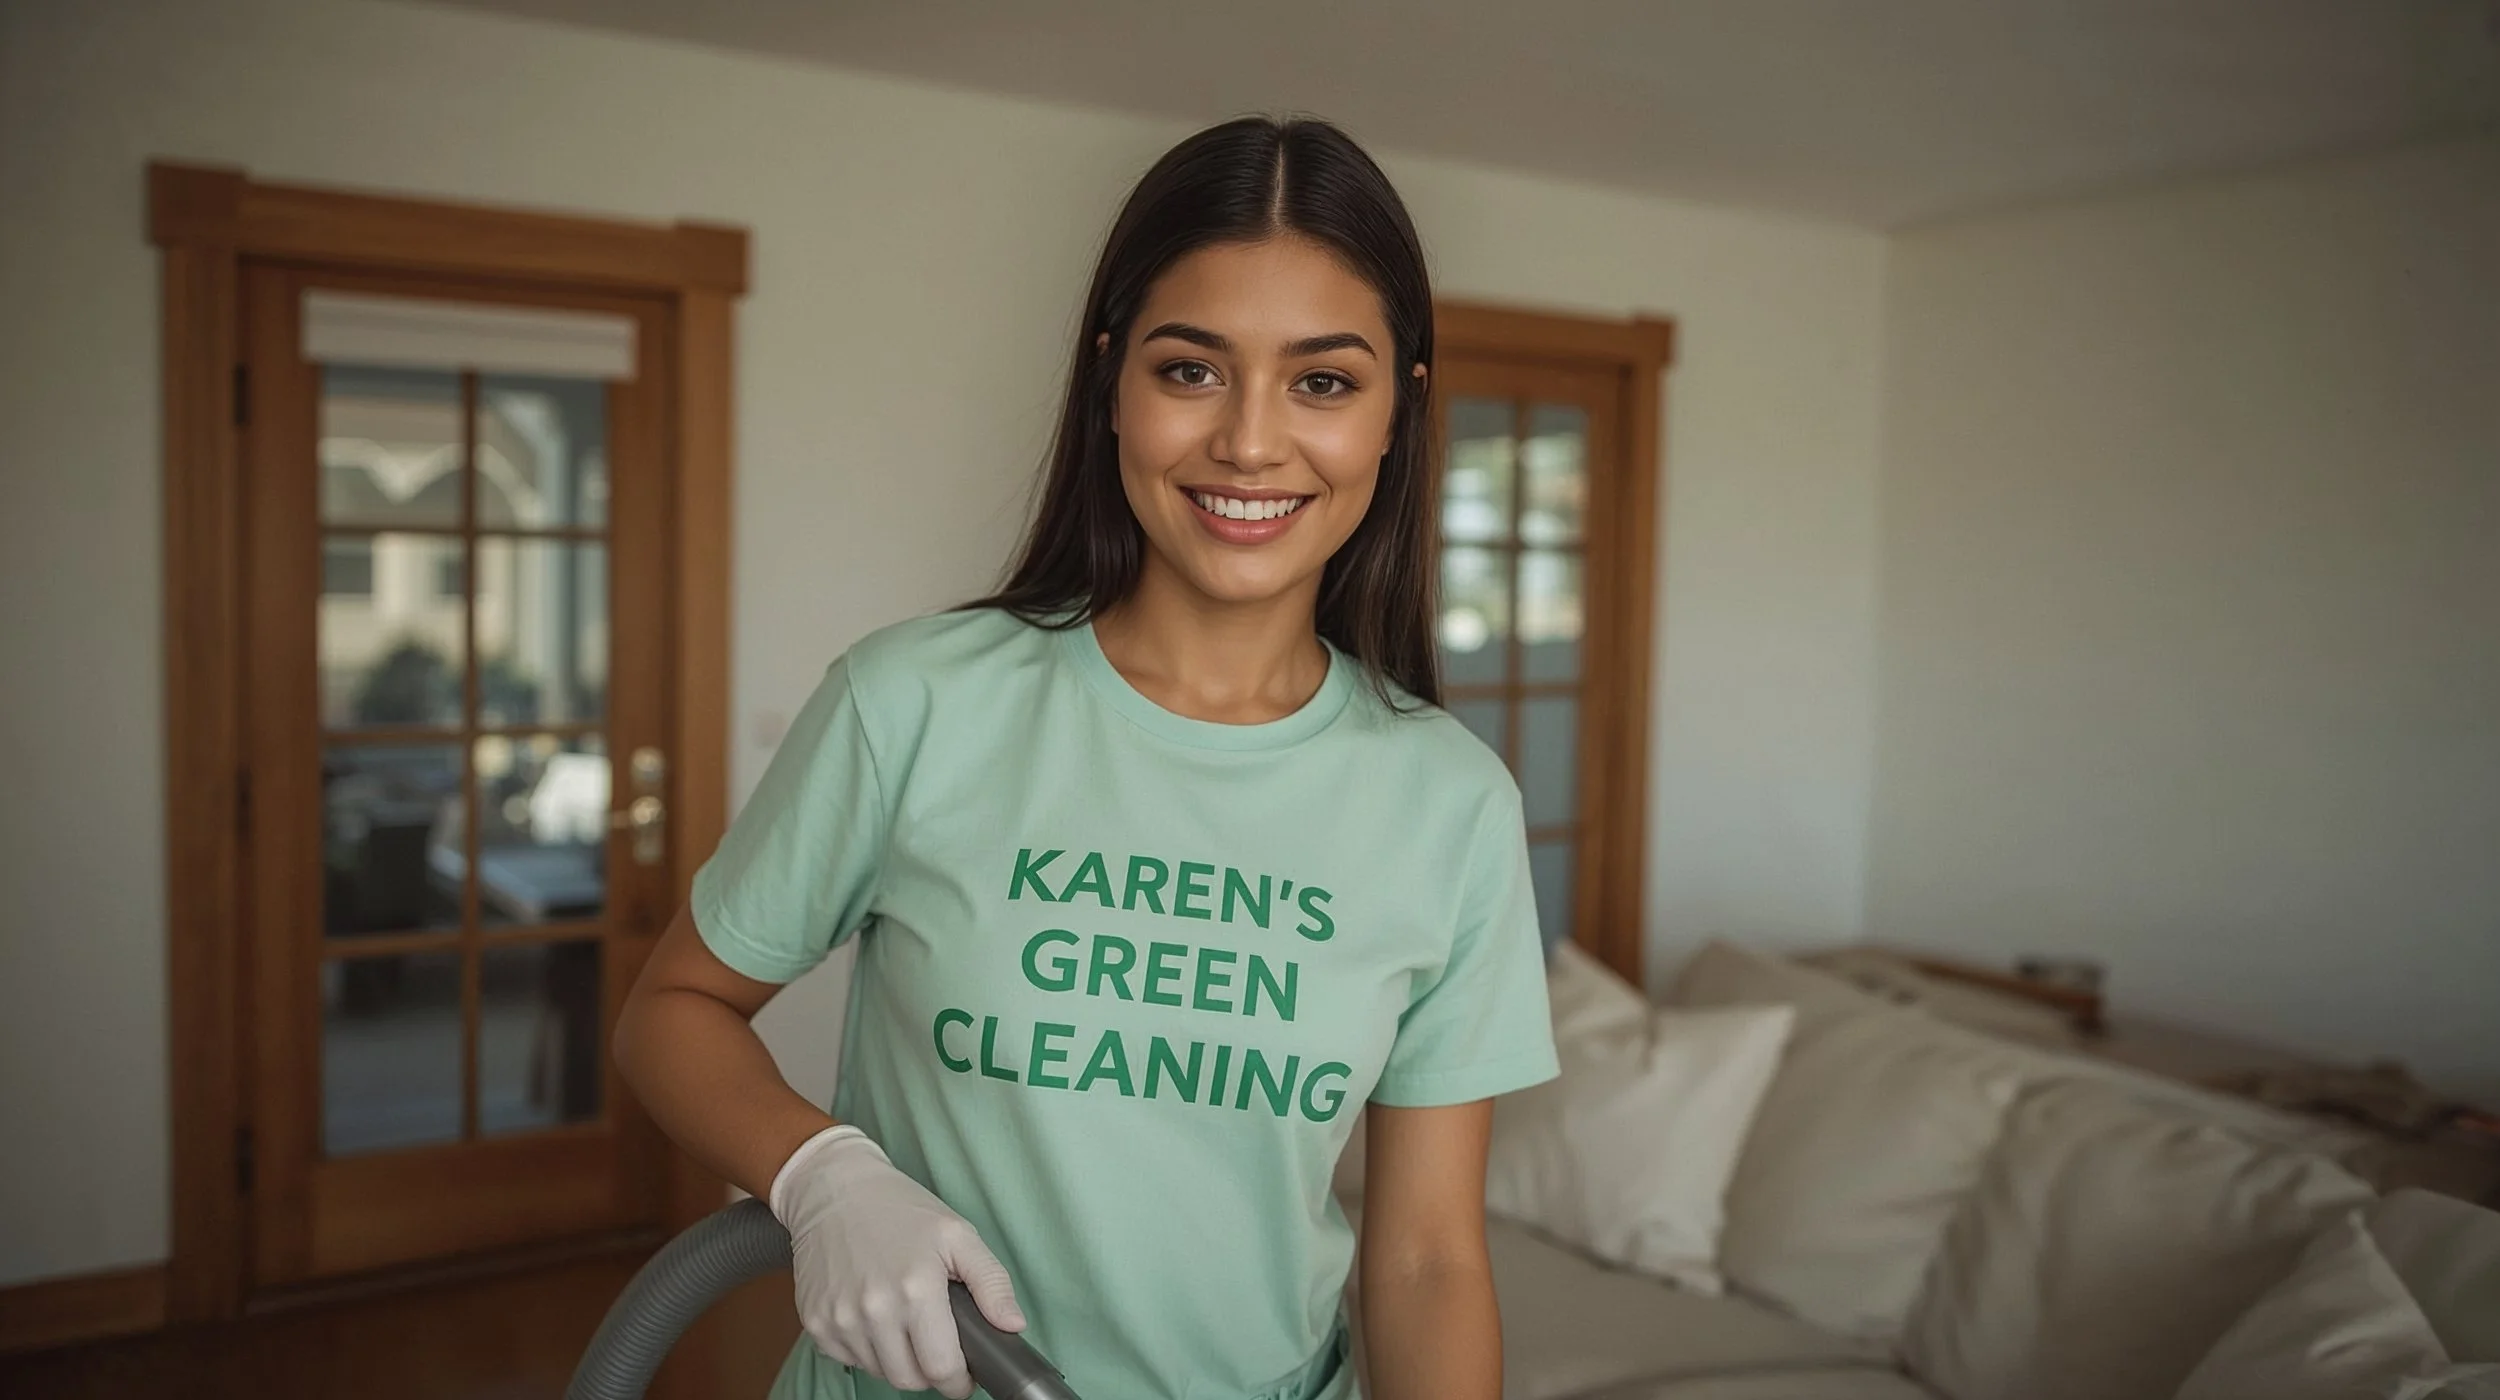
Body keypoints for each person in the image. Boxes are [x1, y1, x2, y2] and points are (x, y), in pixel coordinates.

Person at [613, 113, 1560, 1400]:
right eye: (1192, 370)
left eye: (1323, 381)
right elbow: (673, 1012)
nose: (1248, 441)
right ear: (1112, 380)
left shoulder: (1449, 803)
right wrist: (820, 1170)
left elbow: (1429, 1261)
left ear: (1400, 410)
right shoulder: (916, 703)